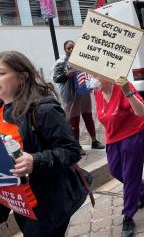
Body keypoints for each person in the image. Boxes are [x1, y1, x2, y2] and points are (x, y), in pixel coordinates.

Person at [0, 51, 88, 236]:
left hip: (47, 203)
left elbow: (71, 151)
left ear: (22, 77)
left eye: (1, 73)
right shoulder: (1, 110)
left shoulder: (43, 110)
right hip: (18, 203)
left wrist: (35, 160)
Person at [94, 76, 144, 237]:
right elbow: (104, 116)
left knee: (130, 173)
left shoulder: (122, 86)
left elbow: (140, 112)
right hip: (114, 135)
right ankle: (142, 188)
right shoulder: (97, 91)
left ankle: (128, 216)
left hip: (134, 131)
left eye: (94, 74)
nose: (91, 78)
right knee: (115, 170)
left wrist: (128, 92)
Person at [53, 40, 105, 155]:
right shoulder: (60, 62)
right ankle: (76, 144)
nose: (71, 50)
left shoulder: (82, 59)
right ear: (65, 50)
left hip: (84, 91)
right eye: (69, 48)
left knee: (88, 115)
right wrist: (67, 75)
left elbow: (89, 73)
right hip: (71, 94)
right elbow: (56, 78)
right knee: (73, 119)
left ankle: (94, 140)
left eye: (73, 47)